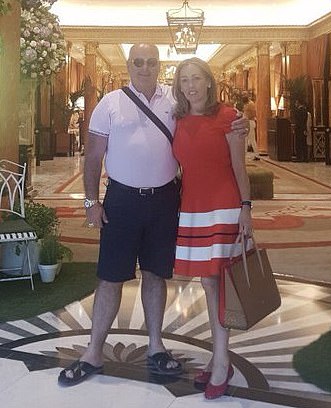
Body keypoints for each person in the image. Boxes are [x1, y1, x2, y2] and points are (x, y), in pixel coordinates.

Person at [58, 44, 249, 386]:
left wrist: (240, 122)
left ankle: (156, 348)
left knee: (156, 275)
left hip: (165, 202)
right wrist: (91, 202)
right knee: (111, 277)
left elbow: (207, 117)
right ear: (129, 65)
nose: (145, 67)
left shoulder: (173, 103)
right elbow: (92, 158)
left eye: (151, 62)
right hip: (121, 201)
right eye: (138, 62)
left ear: (159, 66)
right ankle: (93, 352)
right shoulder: (110, 103)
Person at [172, 58, 252, 399]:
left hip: (223, 207)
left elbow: (239, 167)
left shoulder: (230, 118)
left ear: (209, 82)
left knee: (217, 282)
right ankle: (218, 356)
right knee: (208, 283)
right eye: (185, 80)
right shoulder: (175, 118)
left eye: (197, 78)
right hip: (192, 209)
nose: (191, 85)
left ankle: (221, 360)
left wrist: (246, 209)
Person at [242, 93, 260, 160]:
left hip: (250, 123)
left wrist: (245, 118)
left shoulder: (250, 105)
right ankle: (244, 154)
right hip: (247, 123)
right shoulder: (247, 104)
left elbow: (251, 114)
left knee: (252, 139)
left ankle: (257, 155)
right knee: (245, 139)